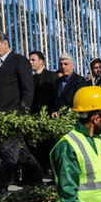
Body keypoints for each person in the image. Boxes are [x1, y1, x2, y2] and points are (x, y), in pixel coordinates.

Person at [0, 32, 42, 197]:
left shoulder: (19, 60)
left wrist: (22, 114)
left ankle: (0, 189)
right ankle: (38, 181)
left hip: (14, 117)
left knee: (8, 150)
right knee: (21, 151)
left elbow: (27, 89)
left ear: (6, 43)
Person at [29, 50, 59, 178]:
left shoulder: (51, 76)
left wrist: (54, 110)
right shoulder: (30, 78)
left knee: (51, 145)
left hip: (49, 117)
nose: (30, 62)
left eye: (33, 60)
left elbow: (56, 95)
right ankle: (41, 172)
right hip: (35, 118)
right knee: (38, 146)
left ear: (41, 62)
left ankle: (54, 174)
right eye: (29, 60)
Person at [50, 53, 86, 117]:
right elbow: (53, 98)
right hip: (57, 119)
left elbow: (77, 101)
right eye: (61, 64)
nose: (63, 67)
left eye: (66, 64)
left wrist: (62, 113)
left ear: (72, 65)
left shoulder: (79, 80)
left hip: (72, 117)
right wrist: (53, 111)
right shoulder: (57, 81)